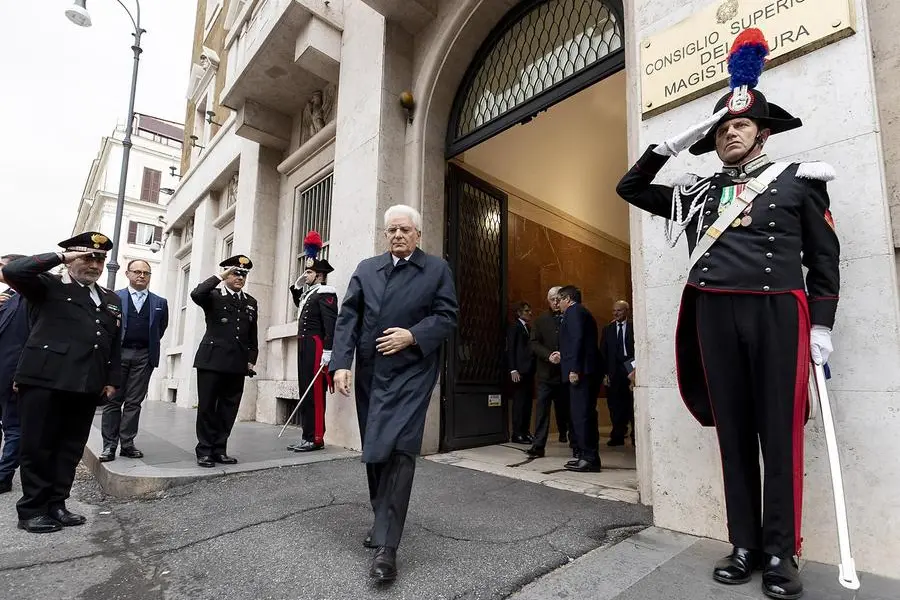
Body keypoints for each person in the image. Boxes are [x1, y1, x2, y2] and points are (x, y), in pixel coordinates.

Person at [615, 28, 839, 599]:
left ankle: (781, 551)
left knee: (779, 434)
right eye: (719, 129)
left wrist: (821, 326)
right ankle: (743, 544)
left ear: (763, 132)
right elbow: (630, 186)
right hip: (714, 315)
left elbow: (823, 259)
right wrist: (673, 142)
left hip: (777, 315)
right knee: (734, 432)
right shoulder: (698, 192)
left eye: (739, 125)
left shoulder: (797, 183)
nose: (728, 134)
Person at [331, 204, 458, 582]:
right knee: (375, 449)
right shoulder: (367, 269)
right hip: (372, 372)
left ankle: (387, 547)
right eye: (391, 230)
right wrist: (341, 363)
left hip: (413, 371)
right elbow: (348, 317)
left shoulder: (437, 269)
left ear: (418, 234)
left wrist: (413, 335)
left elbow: (448, 316)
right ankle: (381, 516)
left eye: (405, 229)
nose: (398, 235)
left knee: (400, 448)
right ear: (385, 234)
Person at [0, 232, 121, 533]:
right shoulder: (47, 286)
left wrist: (111, 380)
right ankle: (32, 509)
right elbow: (13, 271)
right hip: (45, 380)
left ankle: (57, 503)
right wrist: (61, 258)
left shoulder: (110, 298)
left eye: (100, 258)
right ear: (70, 258)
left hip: (85, 384)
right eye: (88, 256)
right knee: (38, 446)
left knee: (69, 447)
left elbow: (113, 344)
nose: (95, 263)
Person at [191, 255, 259, 468]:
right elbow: (196, 293)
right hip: (211, 361)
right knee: (208, 407)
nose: (240, 277)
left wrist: (251, 360)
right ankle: (204, 450)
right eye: (235, 273)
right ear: (227, 274)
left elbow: (252, 335)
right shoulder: (213, 296)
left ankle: (220, 449)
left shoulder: (250, 302)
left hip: (237, 364)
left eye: (243, 274)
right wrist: (219, 276)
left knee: (229, 408)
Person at [99, 259, 168, 462]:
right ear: (127, 274)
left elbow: (160, 329)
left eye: (146, 273)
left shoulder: (159, 302)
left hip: (144, 356)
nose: (141, 276)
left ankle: (127, 444)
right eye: (137, 272)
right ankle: (109, 446)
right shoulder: (114, 297)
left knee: (134, 402)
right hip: (118, 354)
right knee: (113, 401)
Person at [286, 231, 337, 452]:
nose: (305, 275)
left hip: (316, 346)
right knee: (304, 389)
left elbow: (330, 325)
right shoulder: (311, 293)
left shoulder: (327, 293)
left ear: (320, 275)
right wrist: (298, 287)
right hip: (304, 345)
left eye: (309, 272)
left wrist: (328, 350)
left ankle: (316, 437)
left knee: (315, 392)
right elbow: (301, 305)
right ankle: (306, 435)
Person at [557, 285, 600, 473]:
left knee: (582, 416)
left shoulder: (574, 311)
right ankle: (585, 455)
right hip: (584, 371)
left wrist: (574, 368)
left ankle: (589, 458)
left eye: (559, 300)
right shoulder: (580, 312)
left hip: (581, 373)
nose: (557, 304)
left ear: (568, 298)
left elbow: (577, 339)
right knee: (582, 415)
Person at [527, 286, 571, 458]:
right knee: (542, 411)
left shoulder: (570, 317)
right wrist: (549, 355)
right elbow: (534, 343)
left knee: (568, 410)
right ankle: (538, 445)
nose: (555, 302)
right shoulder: (540, 320)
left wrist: (563, 355)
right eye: (552, 299)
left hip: (565, 373)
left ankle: (574, 442)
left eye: (558, 299)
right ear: (548, 301)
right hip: (546, 374)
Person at [0, 254, 28, 494]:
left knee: (13, 428)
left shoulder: (30, 299)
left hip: (14, 376)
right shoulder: (8, 299)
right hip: (2, 373)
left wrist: (21, 375)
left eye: (3, 266)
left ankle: (4, 475)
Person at [598, 300, 635, 446]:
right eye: (614, 311)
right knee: (615, 404)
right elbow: (603, 353)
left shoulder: (634, 326)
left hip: (630, 367)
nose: (616, 313)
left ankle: (635, 435)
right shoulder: (608, 329)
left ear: (627, 311)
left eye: (619, 310)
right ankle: (618, 435)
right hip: (614, 370)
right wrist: (604, 373)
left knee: (632, 402)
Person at [506, 301, 535, 444]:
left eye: (529, 310)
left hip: (528, 371)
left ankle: (525, 431)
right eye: (526, 310)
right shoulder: (515, 328)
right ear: (518, 313)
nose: (530, 313)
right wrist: (513, 369)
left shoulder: (528, 328)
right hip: (519, 371)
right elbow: (511, 349)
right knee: (519, 403)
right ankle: (517, 433)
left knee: (527, 403)